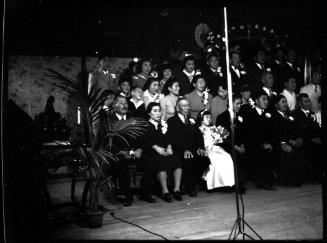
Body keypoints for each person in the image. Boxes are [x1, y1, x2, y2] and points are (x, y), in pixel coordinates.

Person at [94, 95, 142, 207]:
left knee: (151, 159)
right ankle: (128, 196)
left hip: (134, 151)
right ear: (114, 106)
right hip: (116, 153)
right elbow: (106, 141)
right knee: (122, 163)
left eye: (125, 103)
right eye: (121, 103)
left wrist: (139, 149)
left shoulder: (132, 119)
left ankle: (146, 192)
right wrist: (122, 152)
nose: (124, 105)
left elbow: (140, 136)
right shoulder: (108, 121)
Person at [167, 97, 210, 197]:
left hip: (193, 150)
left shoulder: (192, 120)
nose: (187, 108)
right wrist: (184, 150)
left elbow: (199, 136)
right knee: (189, 160)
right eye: (184, 106)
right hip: (179, 151)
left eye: (188, 105)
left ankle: (191, 184)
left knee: (205, 160)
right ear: (177, 108)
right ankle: (189, 186)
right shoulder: (172, 121)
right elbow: (174, 139)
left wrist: (200, 147)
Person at [142, 102, 183, 203]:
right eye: (155, 111)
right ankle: (165, 191)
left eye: (159, 111)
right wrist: (157, 148)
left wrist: (169, 146)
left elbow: (168, 138)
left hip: (164, 150)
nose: (158, 113)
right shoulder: (146, 125)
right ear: (149, 113)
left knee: (176, 159)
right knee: (160, 160)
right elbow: (145, 141)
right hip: (151, 151)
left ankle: (176, 189)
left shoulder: (163, 124)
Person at [270, 94, 305, 186]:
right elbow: (275, 133)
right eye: (283, 102)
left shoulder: (289, 115)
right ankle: (287, 179)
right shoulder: (273, 117)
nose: (285, 104)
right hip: (279, 143)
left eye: (286, 102)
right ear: (276, 105)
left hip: (291, 141)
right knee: (290, 153)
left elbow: (295, 130)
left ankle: (298, 178)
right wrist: (285, 142)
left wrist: (298, 138)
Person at [244, 90, 276, 190]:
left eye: (267, 99)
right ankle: (262, 181)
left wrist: (271, 143)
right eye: (263, 99)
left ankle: (269, 179)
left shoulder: (268, 114)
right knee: (261, 153)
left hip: (266, 143)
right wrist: (262, 144)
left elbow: (272, 132)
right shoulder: (250, 114)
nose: (266, 102)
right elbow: (250, 134)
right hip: (254, 144)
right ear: (256, 101)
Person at [198, 110, 235, 191]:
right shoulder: (199, 129)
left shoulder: (214, 128)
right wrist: (210, 145)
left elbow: (219, 138)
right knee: (214, 158)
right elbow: (200, 142)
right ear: (201, 118)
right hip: (206, 148)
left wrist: (220, 138)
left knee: (226, 157)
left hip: (215, 147)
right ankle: (213, 184)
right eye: (206, 117)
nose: (209, 119)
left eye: (210, 117)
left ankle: (227, 183)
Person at [291, 93, 322, 182]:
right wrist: (311, 139)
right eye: (305, 102)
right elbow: (298, 131)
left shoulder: (312, 113)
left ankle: (317, 175)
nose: (308, 103)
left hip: (312, 140)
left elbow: (316, 128)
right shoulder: (296, 114)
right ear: (300, 104)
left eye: (309, 101)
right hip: (303, 141)